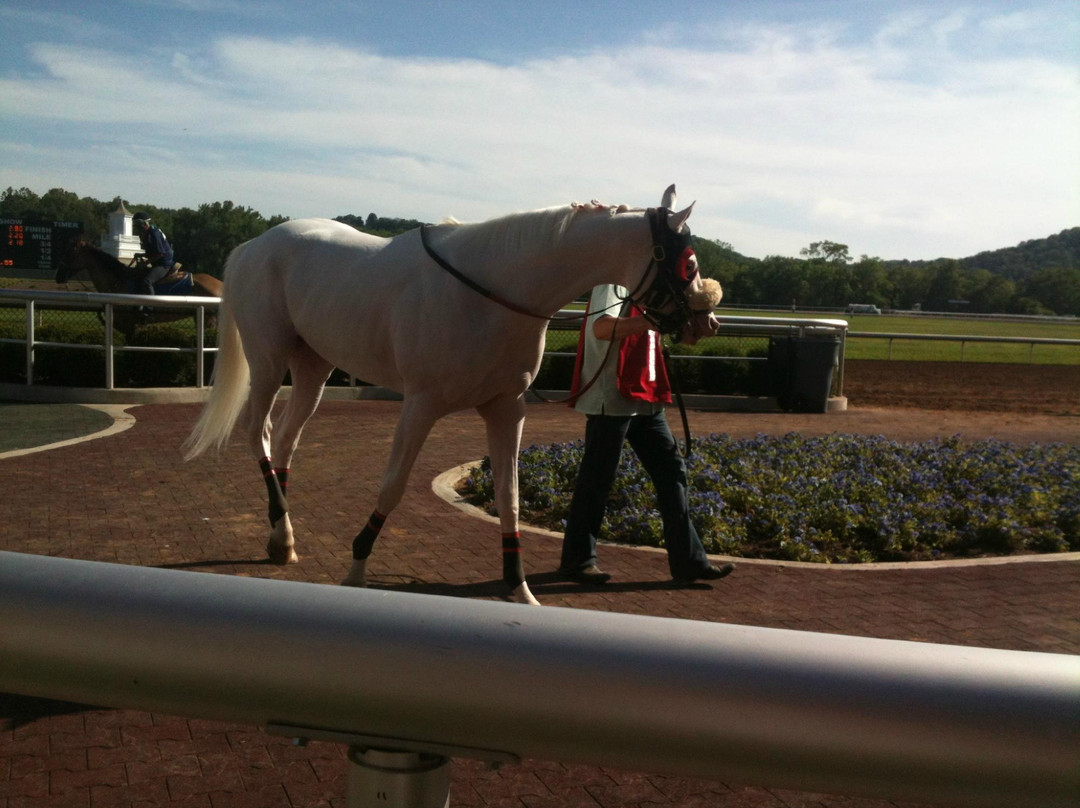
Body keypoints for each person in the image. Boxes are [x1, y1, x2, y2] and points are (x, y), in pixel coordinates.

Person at [558, 282, 734, 586]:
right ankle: (577, 561)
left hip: (645, 396)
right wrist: (652, 321)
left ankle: (689, 562)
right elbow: (601, 328)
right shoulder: (612, 284)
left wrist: (688, 325)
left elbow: (649, 330)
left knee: (672, 474)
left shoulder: (649, 283)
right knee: (597, 480)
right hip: (611, 396)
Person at [129, 212, 175, 296]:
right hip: (158, 263)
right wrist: (139, 255)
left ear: (144, 223)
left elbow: (160, 254)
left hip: (164, 265)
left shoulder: (154, 233)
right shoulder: (149, 232)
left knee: (147, 281)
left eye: (138, 227)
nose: (138, 230)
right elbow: (152, 253)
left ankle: (150, 307)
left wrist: (145, 263)